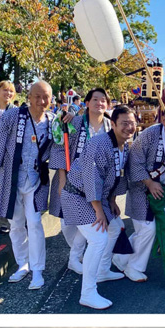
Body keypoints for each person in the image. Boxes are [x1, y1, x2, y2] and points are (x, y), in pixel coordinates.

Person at [0, 80, 55, 290]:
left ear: (51, 99)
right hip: (10, 178)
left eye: (45, 97)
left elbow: (65, 141)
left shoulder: (53, 120)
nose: (41, 101)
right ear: (28, 97)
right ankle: (23, 264)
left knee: (36, 223)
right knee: (16, 223)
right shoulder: (13, 116)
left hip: (36, 179)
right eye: (36, 96)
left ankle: (38, 270)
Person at [61, 104, 138, 309]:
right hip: (78, 196)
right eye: (124, 123)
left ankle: (103, 269)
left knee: (116, 227)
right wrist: (98, 210)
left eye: (132, 123)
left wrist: (111, 201)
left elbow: (117, 175)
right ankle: (87, 292)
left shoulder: (125, 145)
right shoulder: (99, 143)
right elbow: (91, 177)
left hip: (99, 198)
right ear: (112, 124)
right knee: (98, 238)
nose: (129, 127)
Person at [114, 105, 165, 286]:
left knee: (149, 230)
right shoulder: (150, 134)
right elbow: (134, 162)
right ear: (163, 119)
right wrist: (150, 183)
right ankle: (134, 267)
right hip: (141, 187)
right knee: (147, 229)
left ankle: (121, 257)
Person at [50, 87, 113, 277]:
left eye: (103, 100)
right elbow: (61, 148)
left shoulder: (110, 126)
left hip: (97, 183)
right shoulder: (75, 122)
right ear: (86, 103)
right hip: (73, 182)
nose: (99, 103)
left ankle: (78, 258)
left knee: (90, 221)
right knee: (69, 224)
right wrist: (62, 179)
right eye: (95, 100)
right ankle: (78, 257)